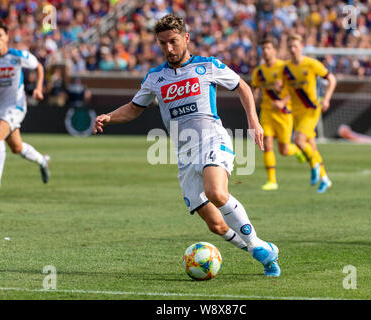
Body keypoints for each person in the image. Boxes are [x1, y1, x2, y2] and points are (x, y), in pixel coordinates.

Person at [93, 14, 281, 277]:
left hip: (213, 140)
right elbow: (134, 109)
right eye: (163, 44)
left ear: (186, 38)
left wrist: (253, 121)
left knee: (216, 191)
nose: (168, 48)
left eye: (173, 41)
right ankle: (261, 254)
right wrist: (110, 117)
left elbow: (242, 86)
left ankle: (256, 242)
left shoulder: (208, 66)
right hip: (184, 154)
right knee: (215, 225)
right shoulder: (155, 77)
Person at [0, 22, 50, 193]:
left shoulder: (18, 55)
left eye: (0, 35)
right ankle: (42, 161)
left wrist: (39, 88)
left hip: (16, 105)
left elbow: (38, 66)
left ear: (6, 37)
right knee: (17, 148)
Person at [280, 33, 337, 193]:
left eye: (295, 46)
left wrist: (326, 99)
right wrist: (281, 101)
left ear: (301, 47)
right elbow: (287, 91)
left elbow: (332, 79)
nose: (292, 49)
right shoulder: (286, 68)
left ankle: (314, 167)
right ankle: (325, 179)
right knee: (311, 147)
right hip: (296, 113)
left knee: (298, 140)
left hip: (311, 109)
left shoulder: (311, 64)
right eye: (290, 46)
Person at [251, 38, 305, 191]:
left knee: (284, 150)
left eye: (268, 48)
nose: (265, 51)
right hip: (267, 112)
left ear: (275, 51)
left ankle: (298, 149)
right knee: (266, 144)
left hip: (283, 113)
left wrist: (283, 100)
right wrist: (254, 98)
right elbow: (255, 89)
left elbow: (294, 90)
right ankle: (272, 181)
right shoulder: (259, 71)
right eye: (264, 48)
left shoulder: (284, 68)